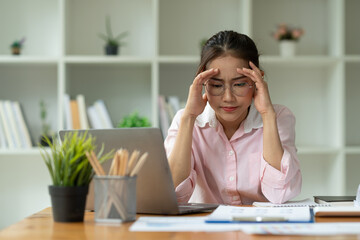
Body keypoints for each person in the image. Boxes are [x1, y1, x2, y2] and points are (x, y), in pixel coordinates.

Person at [164, 30, 301, 205]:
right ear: (202, 81)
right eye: (216, 85)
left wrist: (267, 115)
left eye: (240, 84)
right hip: (206, 228)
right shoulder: (185, 120)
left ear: (257, 79)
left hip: (259, 227)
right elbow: (172, 196)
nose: (228, 97)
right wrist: (189, 117)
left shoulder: (279, 117)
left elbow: (280, 194)